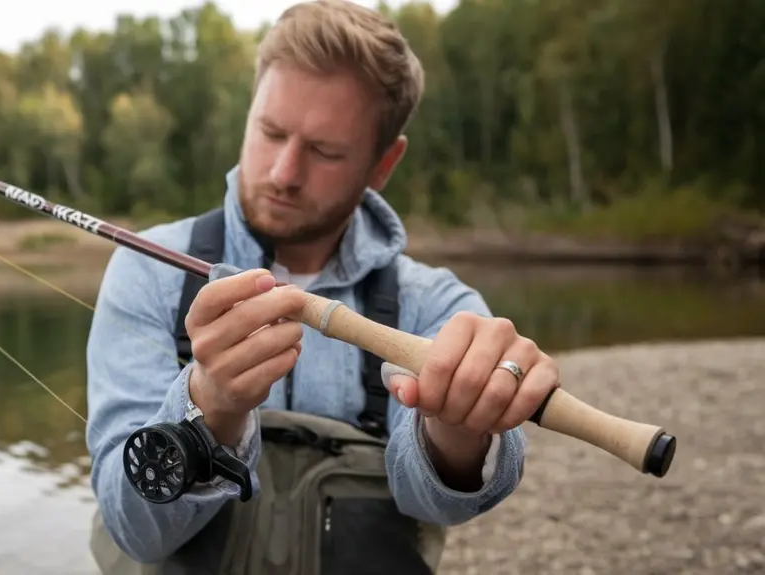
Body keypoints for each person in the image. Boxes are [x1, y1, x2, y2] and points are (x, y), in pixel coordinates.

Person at [85, 1, 560, 572]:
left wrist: (457, 432)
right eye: (270, 132)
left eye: (325, 151)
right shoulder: (147, 271)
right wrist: (210, 408)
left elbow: (442, 502)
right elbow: (133, 530)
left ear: (383, 164)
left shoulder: (438, 305)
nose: (283, 172)